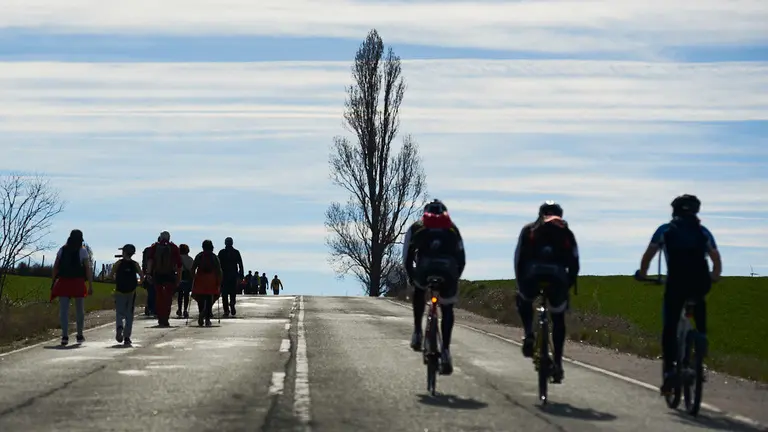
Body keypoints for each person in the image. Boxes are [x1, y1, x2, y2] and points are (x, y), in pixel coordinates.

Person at [636, 194, 722, 395]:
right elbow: (716, 260)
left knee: (670, 327)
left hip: (676, 284)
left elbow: (648, 256)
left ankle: (669, 372)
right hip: (700, 283)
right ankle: (701, 344)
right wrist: (715, 277)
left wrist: (643, 274)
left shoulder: (665, 230)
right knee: (699, 309)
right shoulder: (703, 232)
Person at [514, 200, 580, 384]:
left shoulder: (529, 230)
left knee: (524, 299)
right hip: (558, 277)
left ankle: (529, 333)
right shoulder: (566, 232)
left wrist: (520, 283)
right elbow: (574, 262)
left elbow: (519, 259)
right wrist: (568, 285)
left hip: (532, 275)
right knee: (558, 317)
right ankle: (558, 363)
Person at [403, 199, 466, 376]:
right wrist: (455, 279)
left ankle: (417, 332)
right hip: (448, 270)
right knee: (447, 307)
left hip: (425, 269)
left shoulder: (417, 226)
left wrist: (411, 277)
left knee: (419, 290)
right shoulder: (452, 228)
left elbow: (407, 257)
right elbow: (461, 258)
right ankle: (445, 350)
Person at [50, 229, 94, 346]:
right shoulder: (83, 251)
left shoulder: (62, 250)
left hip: (64, 281)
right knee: (80, 310)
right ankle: (79, 334)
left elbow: (55, 267)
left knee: (64, 310)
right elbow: (87, 269)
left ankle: (65, 336)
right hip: (78, 282)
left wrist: (53, 282)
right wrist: (90, 285)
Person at [146, 231, 182, 327]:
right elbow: (179, 265)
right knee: (168, 298)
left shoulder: (154, 247)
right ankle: (166, 318)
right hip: (170, 275)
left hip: (158, 275)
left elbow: (150, 261)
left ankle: (160, 318)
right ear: (169, 238)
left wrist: (148, 273)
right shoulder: (174, 247)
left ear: (160, 238)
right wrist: (178, 278)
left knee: (159, 297)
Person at [111, 244, 143, 346]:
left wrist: (115, 280)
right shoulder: (135, 264)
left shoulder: (118, 263)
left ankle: (119, 327)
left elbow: (111, 275)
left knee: (119, 312)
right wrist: (138, 282)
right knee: (129, 314)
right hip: (131, 292)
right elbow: (142, 276)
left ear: (124, 252)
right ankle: (127, 337)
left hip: (120, 291)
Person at [192, 240, 223, 327]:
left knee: (200, 298)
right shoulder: (214, 257)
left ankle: (201, 312)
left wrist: (194, 278)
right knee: (210, 298)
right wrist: (219, 281)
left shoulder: (199, 256)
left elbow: (193, 268)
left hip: (200, 278)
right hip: (211, 279)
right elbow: (218, 270)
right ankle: (207, 318)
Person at [218, 237, 244, 317]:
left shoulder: (222, 252)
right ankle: (232, 303)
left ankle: (226, 310)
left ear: (225, 243)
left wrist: (217, 275)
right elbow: (240, 264)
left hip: (224, 275)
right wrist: (241, 275)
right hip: (233, 275)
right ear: (232, 243)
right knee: (233, 292)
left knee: (224, 293)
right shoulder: (236, 252)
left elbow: (218, 265)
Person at [176, 244, 194, 319]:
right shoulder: (190, 259)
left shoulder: (178, 259)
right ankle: (185, 310)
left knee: (180, 295)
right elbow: (192, 270)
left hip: (180, 277)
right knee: (186, 294)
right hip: (188, 278)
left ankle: (179, 309)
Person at [141, 243, 156, 317]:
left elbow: (144, 262)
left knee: (150, 292)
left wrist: (145, 273)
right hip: (159, 274)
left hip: (149, 273)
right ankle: (155, 308)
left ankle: (149, 308)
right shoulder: (166, 249)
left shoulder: (148, 250)